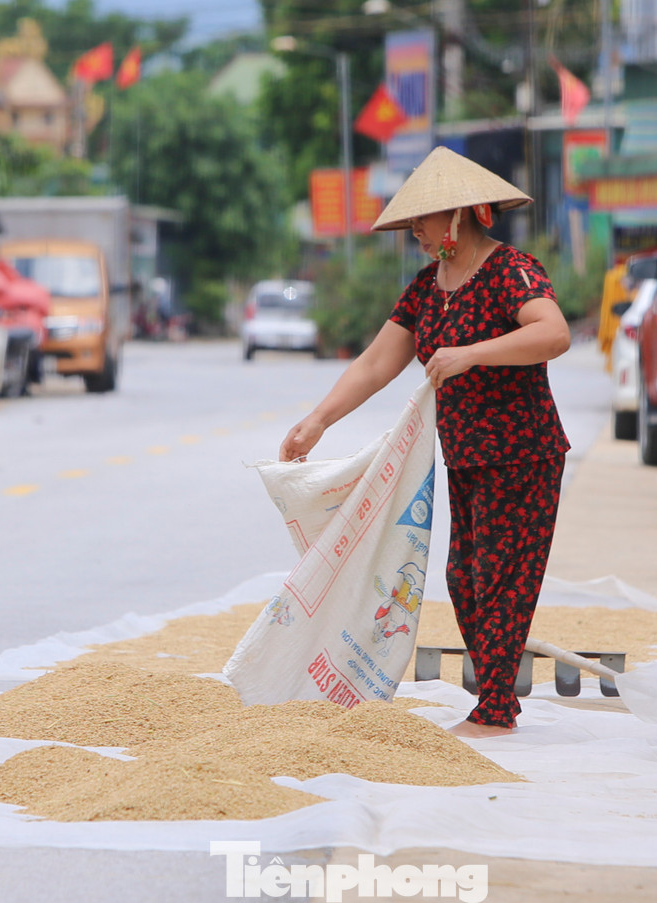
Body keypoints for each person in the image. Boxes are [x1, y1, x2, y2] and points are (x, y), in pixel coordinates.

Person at [279, 146, 572, 738]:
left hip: (523, 455)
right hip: (465, 460)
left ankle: (495, 709)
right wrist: (316, 422)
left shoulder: (510, 270)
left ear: (458, 218)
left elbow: (554, 333)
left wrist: (472, 355)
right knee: (464, 579)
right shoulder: (425, 288)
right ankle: (495, 699)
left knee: (499, 578)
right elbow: (374, 365)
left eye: (424, 218)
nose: (415, 229)